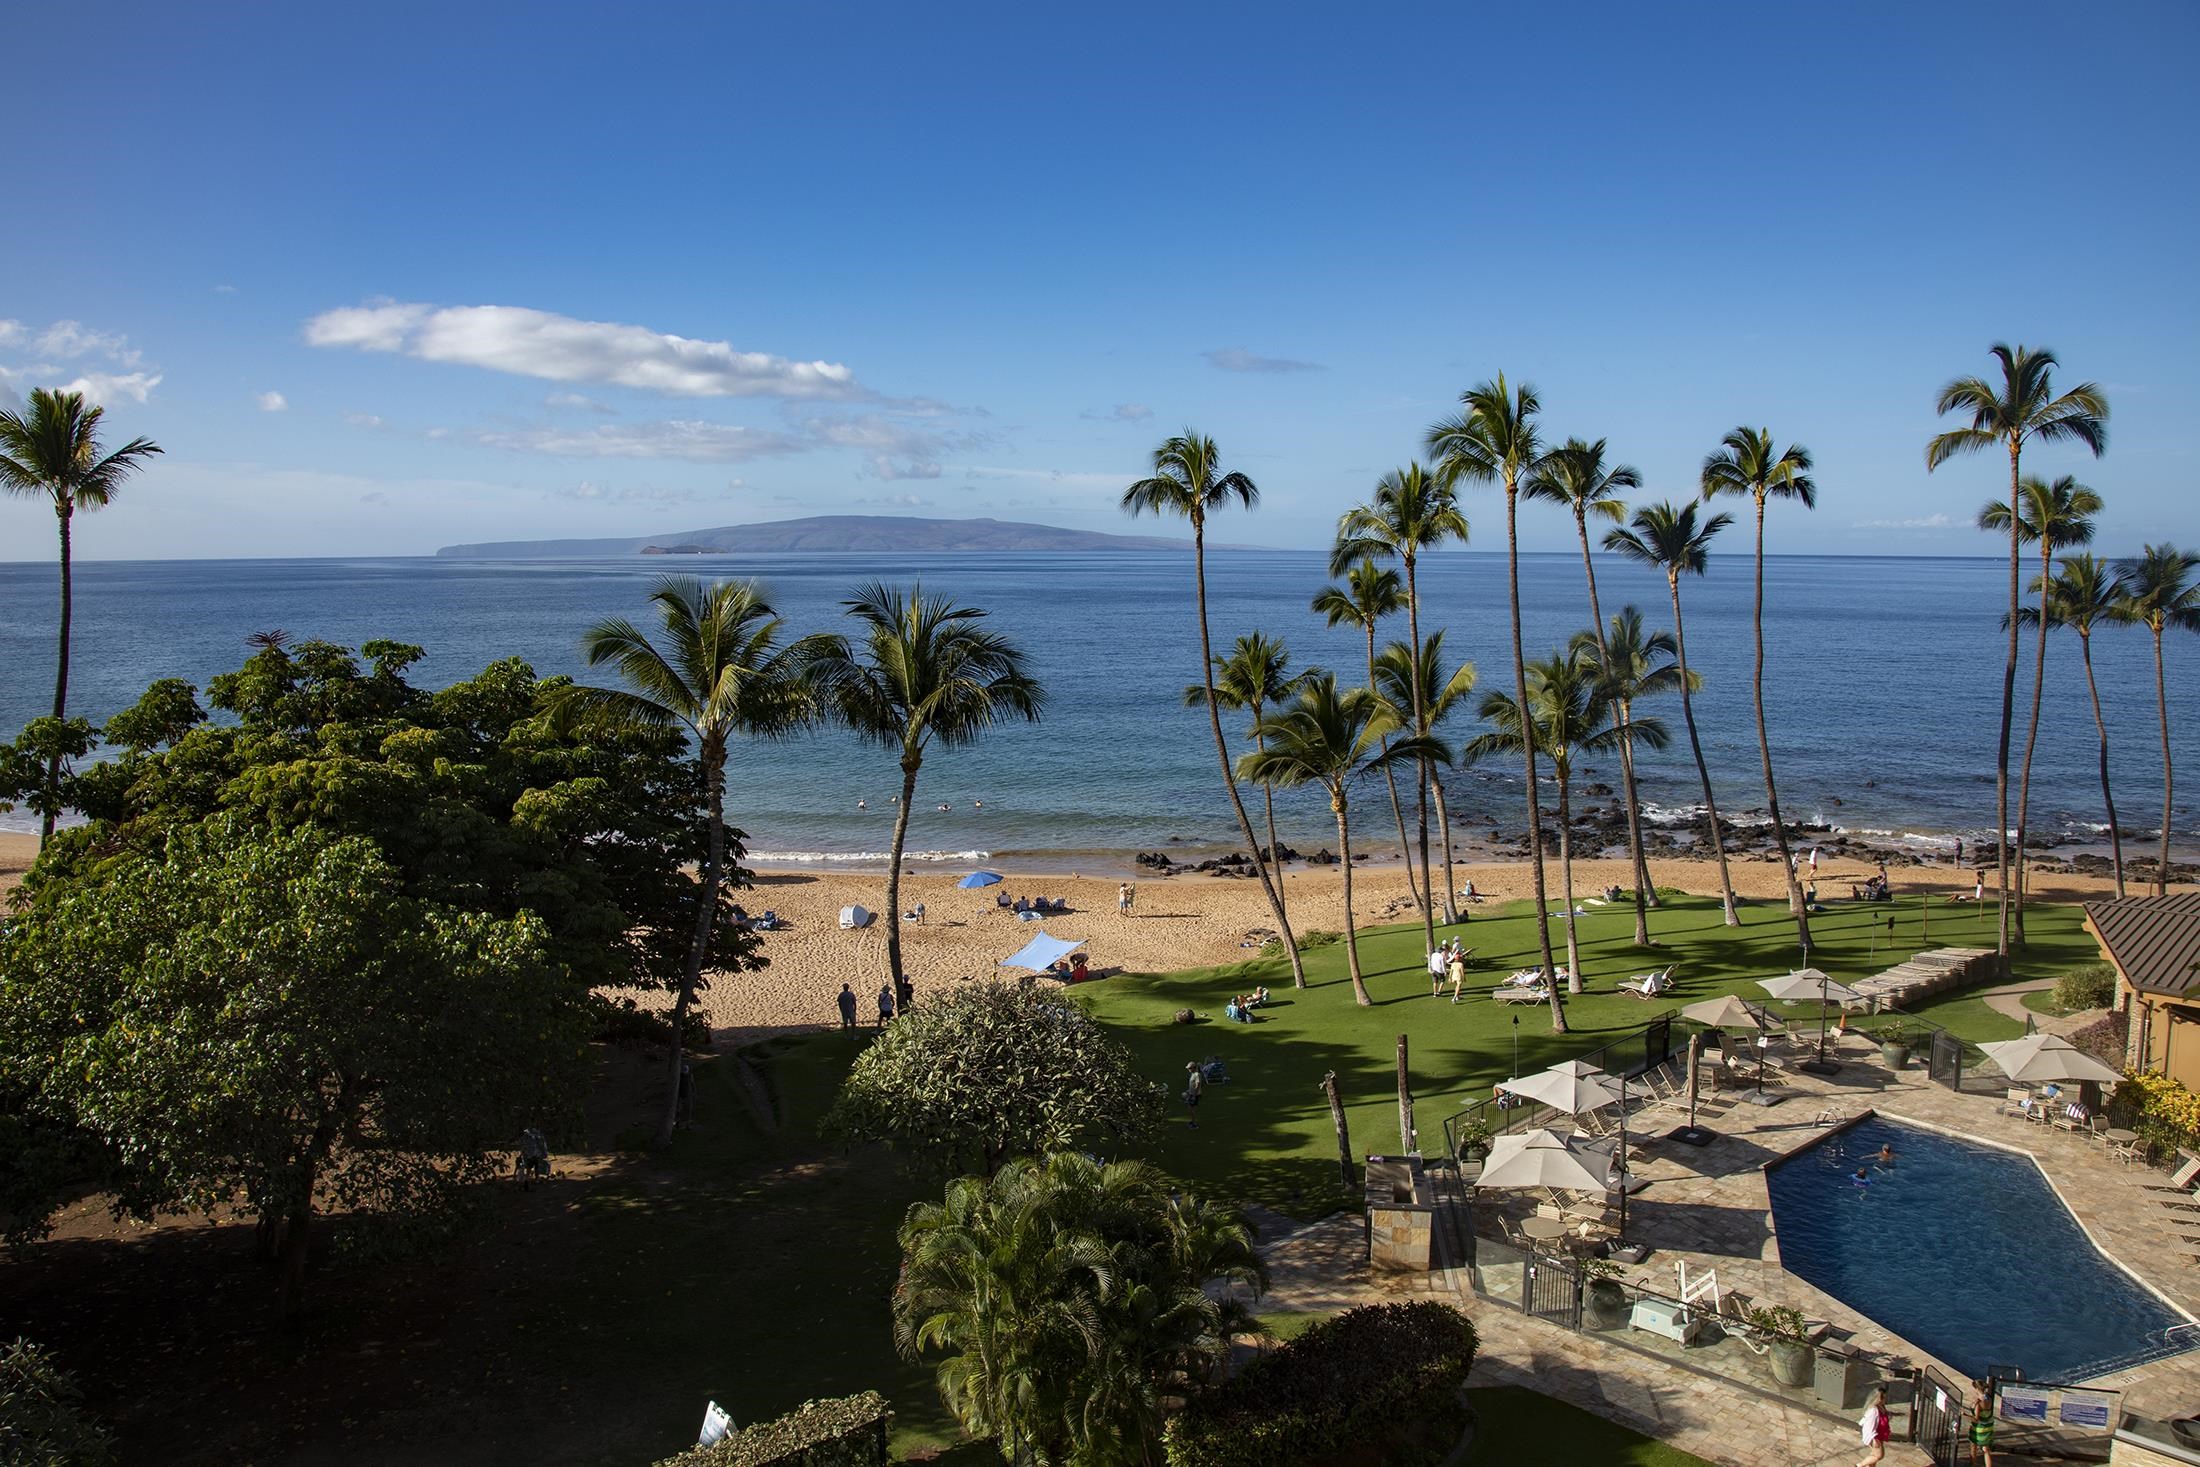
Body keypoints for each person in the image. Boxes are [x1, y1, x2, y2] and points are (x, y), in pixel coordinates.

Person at [1857, 1386, 1891, 1467]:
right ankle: (1859, 1465)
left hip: (1879, 1434)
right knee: (1879, 1455)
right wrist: (1874, 1439)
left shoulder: (1881, 1406)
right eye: (1884, 1398)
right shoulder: (1873, 1411)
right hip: (1874, 1437)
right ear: (1879, 1399)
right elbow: (1869, 1427)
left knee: (1874, 1455)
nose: (1886, 1399)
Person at [1968, 1384, 1995, 1465]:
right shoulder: (1989, 1398)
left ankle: (1972, 1465)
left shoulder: (1978, 1402)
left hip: (1979, 1429)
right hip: (1988, 1427)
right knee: (1986, 1450)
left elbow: (1976, 1419)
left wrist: (1965, 1414)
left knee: (1973, 1447)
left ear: (1976, 1389)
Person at [1183, 1061, 1204, 1128]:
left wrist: (1194, 1096)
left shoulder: (1197, 1075)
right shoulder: (1193, 1074)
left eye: (1189, 1068)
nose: (1188, 1070)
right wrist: (1189, 1091)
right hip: (1192, 1094)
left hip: (1195, 1095)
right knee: (1190, 1109)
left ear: (1193, 1068)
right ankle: (1192, 1121)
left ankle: (1194, 1124)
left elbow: (1197, 1085)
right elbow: (1192, 1085)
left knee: (1192, 1109)